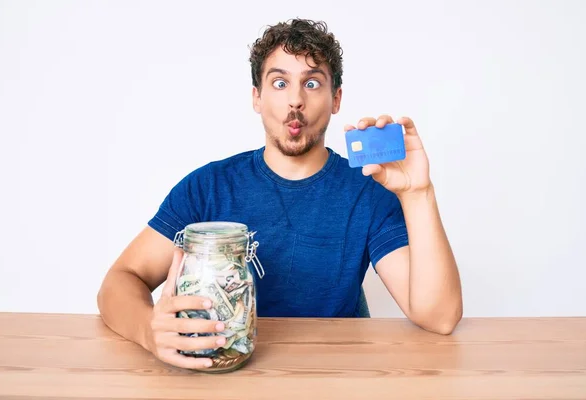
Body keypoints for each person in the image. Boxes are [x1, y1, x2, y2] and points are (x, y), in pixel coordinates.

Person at [97, 18, 463, 370]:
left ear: (336, 99)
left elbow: (440, 317)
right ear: (256, 97)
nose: (296, 101)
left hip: (334, 376)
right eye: (279, 83)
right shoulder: (207, 187)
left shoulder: (369, 191)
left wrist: (418, 193)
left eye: (312, 83)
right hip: (223, 371)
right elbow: (121, 279)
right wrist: (148, 329)